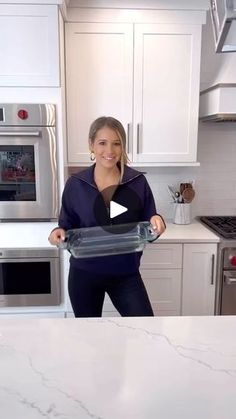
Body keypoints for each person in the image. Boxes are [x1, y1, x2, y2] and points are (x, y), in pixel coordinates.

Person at [48, 116, 166, 317]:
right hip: (84, 274)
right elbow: (65, 226)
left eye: (116, 144)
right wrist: (57, 233)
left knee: (145, 329)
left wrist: (157, 223)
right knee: (89, 340)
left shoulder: (138, 182)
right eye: (102, 143)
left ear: (123, 147)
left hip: (125, 274)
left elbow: (150, 227)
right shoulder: (75, 184)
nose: (110, 151)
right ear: (91, 145)